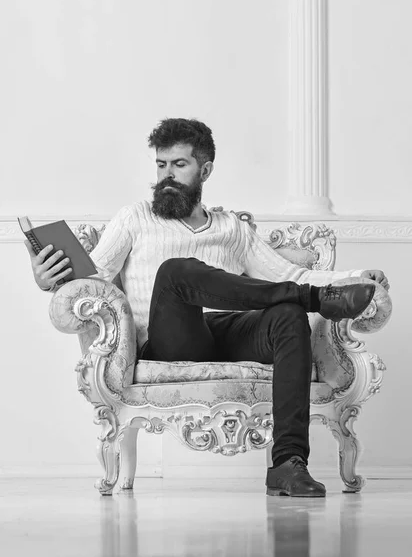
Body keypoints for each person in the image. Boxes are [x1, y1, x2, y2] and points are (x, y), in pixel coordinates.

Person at [24, 118, 389, 498]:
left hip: (226, 329)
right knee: (177, 271)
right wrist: (49, 279)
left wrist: (358, 276)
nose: (166, 175)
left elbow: (291, 272)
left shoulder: (230, 227)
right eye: (161, 165)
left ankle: (287, 464)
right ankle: (311, 299)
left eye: (178, 165)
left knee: (288, 315)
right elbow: (94, 276)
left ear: (205, 169)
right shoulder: (136, 218)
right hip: (169, 339)